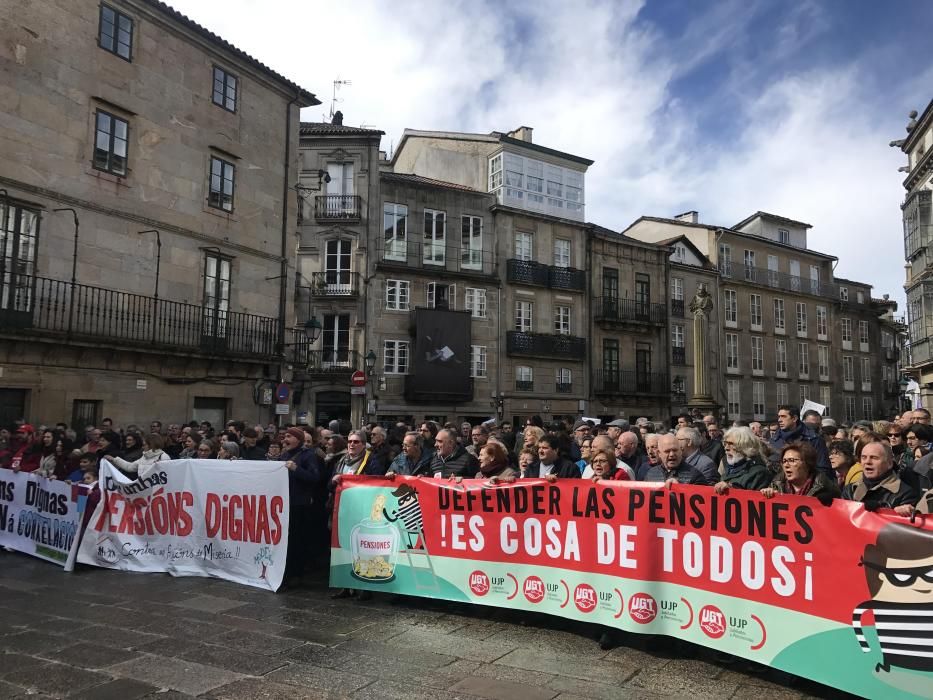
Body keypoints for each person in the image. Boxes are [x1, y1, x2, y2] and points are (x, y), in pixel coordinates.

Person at [280, 426, 331, 582]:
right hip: (284, 503)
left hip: (300, 504)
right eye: (285, 436)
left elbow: (314, 478)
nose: (285, 439)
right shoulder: (284, 455)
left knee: (297, 539)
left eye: (289, 436)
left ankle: (296, 574)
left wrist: (296, 469)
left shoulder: (308, 456)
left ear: (298, 439)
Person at [842, 440, 922, 510]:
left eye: (874, 458)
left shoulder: (905, 495)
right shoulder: (850, 490)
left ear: (889, 463)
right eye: (864, 457)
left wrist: (896, 513)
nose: (867, 462)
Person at [761, 442, 839, 504]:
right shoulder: (776, 485)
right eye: (784, 461)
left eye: (792, 460)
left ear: (807, 463)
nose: (786, 465)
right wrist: (767, 495)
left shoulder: (826, 488)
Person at [769, 405, 832, 479]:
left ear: (794, 418)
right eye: (779, 416)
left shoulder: (813, 439)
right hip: (780, 487)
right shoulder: (774, 439)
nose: (779, 420)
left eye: (783, 416)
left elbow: (823, 469)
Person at [713, 427, 772, 493]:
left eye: (731, 444)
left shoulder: (759, 473)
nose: (726, 448)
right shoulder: (728, 467)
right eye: (725, 444)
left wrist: (732, 489)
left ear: (745, 446)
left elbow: (757, 500)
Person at [643, 434, 709, 486]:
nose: (672, 454)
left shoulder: (695, 476)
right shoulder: (650, 474)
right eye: (667, 451)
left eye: (675, 450)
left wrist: (679, 488)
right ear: (659, 453)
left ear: (681, 451)